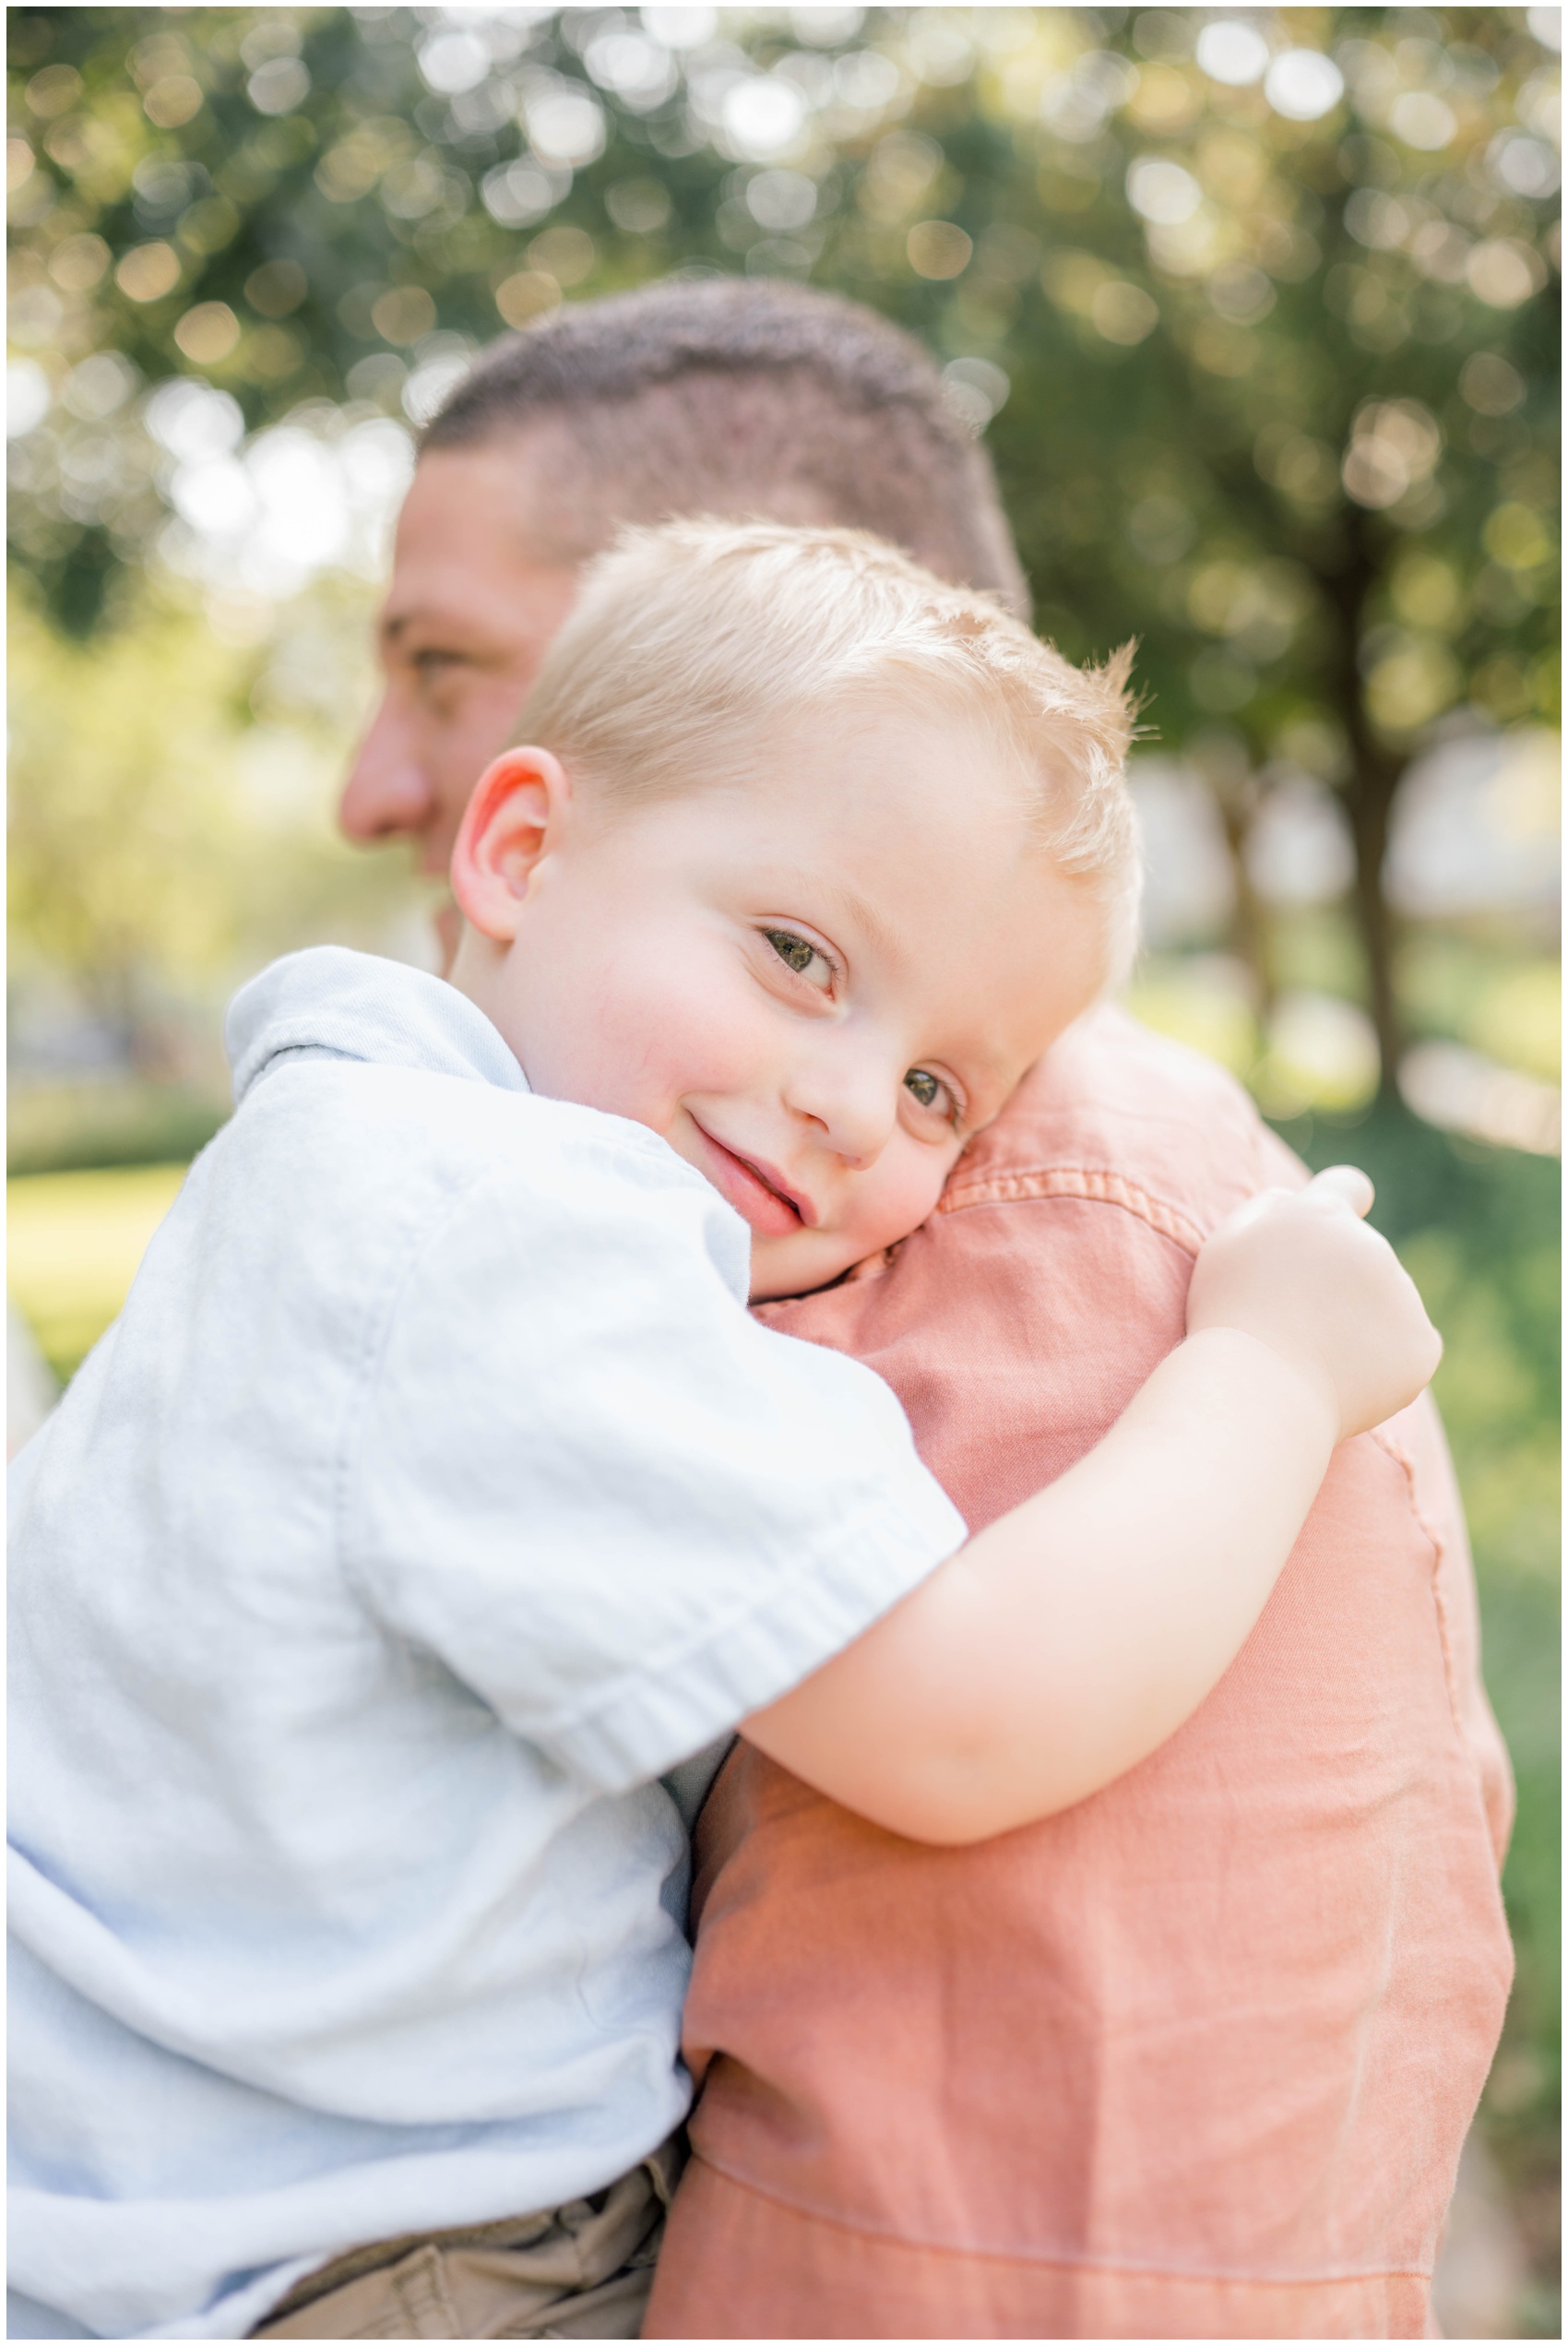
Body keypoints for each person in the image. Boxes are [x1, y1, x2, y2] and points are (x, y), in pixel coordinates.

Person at [7, 521, 1441, 2345]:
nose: (852, 1103)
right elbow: (967, 1719)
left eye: (942, 1086)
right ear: (521, 850)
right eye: (796, 954)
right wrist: (1269, 1371)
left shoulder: (328, 1158)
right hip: (370, 2267)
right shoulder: (508, 1238)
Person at [341, 279, 1515, 2341]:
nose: (375, 784)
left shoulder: (1034, 1250)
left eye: (443, 667)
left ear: (822, 627)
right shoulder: (593, 1207)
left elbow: (1045, 2243)